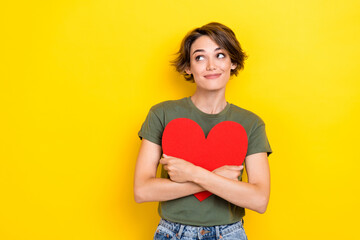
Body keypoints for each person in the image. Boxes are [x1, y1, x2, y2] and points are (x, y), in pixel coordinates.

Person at [134, 22, 272, 240]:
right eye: (200, 57)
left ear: (233, 62)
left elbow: (259, 200)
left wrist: (193, 173)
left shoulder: (250, 123)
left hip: (229, 234)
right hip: (172, 233)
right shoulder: (161, 113)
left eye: (220, 55)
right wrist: (217, 179)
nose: (210, 66)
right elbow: (142, 191)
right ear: (188, 67)